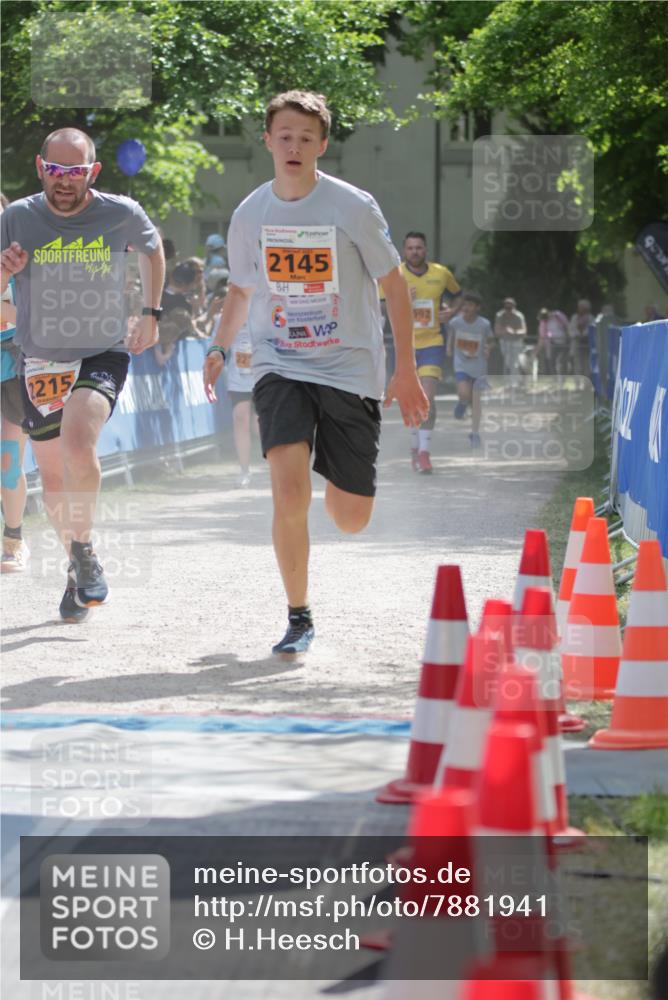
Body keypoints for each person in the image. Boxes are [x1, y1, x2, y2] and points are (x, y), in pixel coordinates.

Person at [203, 90, 428, 656]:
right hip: (279, 361)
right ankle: (298, 615)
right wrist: (219, 345)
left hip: (349, 368)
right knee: (287, 490)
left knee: (349, 517)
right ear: (268, 141)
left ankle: (334, 467)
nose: (295, 146)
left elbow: (394, 286)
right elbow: (240, 288)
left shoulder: (352, 206)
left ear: (323, 145)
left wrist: (406, 371)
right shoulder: (251, 213)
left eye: (306, 138)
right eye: (285, 136)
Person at [0, 127, 165, 621]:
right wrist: (5, 271)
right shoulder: (17, 218)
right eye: (56, 171)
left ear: (92, 172)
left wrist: (152, 312)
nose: (64, 182)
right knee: (53, 480)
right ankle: (76, 564)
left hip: (101, 351)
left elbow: (153, 250)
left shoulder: (120, 213)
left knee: (78, 444)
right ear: (40, 168)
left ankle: (86, 550)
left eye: (74, 172)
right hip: (41, 358)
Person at [397, 232, 460, 474]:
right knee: (411, 401)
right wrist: (401, 298)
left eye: (419, 248)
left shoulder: (441, 273)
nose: (415, 252)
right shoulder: (396, 274)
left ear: (425, 250)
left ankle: (424, 453)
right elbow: (379, 304)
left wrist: (452, 312)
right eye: (410, 248)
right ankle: (414, 446)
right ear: (404, 251)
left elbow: (459, 294)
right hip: (405, 345)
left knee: (427, 399)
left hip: (432, 343)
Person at [1, 194, 30, 572]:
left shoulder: (22, 261)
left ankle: (14, 539)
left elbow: (31, 313)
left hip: (12, 365)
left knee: (8, 462)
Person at [446, 291, 493, 449]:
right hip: (461, 364)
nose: (466, 307)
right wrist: (449, 348)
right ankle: (462, 403)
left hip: (479, 366)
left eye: (470, 305)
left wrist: (488, 348)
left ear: (477, 308)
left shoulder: (484, 324)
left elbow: (490, 340)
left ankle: (475, 433)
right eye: (465, 304)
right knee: (464, 393)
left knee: (476, 403)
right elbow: (451, 336)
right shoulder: (456, 322)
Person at [494, 296, 527, 390]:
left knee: (514, 363)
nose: (508, 310)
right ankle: (509, 383)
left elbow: (524, 331)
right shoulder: (499, 315)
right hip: (504, 341)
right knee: (508, 362)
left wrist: (513, 331)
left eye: (510, 307)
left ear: (514, 307)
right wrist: (504, 331)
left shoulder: (519, 316)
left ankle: (514, 383)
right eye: (506, 307)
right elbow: (497, 332)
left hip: (516, 341)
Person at [537, 307, 569, 384]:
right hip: (553, 344)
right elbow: (543, 335)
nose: (544, 319)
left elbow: (567, 325)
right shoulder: (544, 322)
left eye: (545, 316)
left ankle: (562, 381)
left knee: (562, 362)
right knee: (552, 362)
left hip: (564, 342)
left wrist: (568, 337)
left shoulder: (558, 315)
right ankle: (555, 381)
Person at [569, 298, 594, 389]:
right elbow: (571, 330)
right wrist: (577, 334)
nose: (579, 309)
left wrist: (584, 335)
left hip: (587, 346)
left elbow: (592, 330)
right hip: (577, 345)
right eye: (579, 307)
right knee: (577, 367)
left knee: (587, 367)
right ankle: (577, 386)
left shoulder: (591, 318)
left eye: (582, 307)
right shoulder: (575, 317)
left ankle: (586, 386)